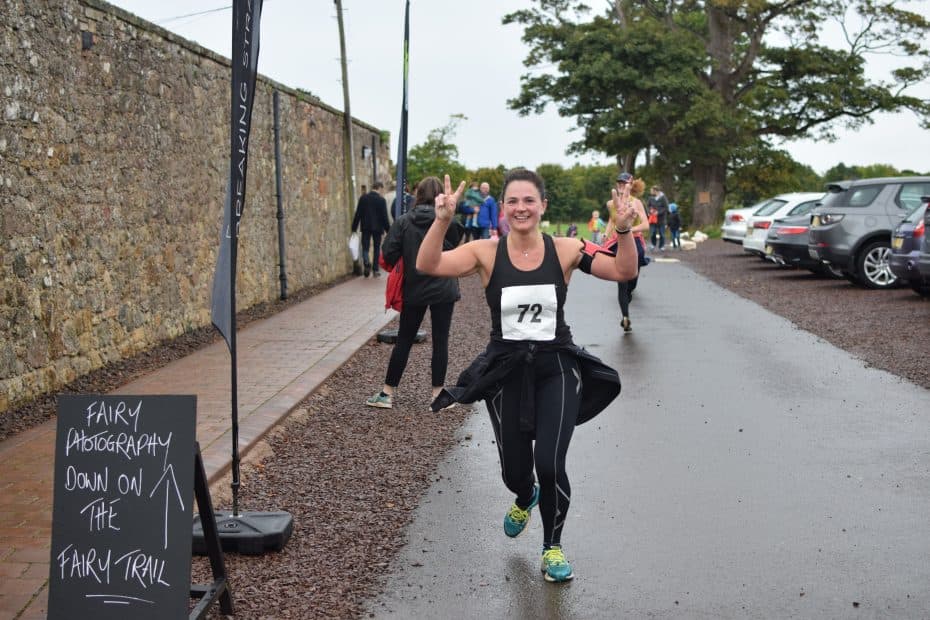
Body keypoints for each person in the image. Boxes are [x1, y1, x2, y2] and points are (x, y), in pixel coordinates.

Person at [417, 168, 638, 583]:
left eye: (529, 200)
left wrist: (623, 231)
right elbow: (429, 264)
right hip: (506, 371)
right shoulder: (484, 252)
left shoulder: (568, 249)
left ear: (543, 206)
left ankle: (551, 546)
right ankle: (524, 495)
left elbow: (623, 272)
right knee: (516, 471)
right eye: (513, 201)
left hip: (557, 366)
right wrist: (442, 219)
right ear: (503, 209)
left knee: (550, 464)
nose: (521, 208)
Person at [366, 177, 464, 409]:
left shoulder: (403, 222)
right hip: (444, 286)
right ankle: (437, 394)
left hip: (415, 286)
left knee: (404, 340)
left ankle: (387, 393)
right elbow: (456, 241)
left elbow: (388, 253)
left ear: (418, 194)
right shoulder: (448, 220)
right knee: (441, 341)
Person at [604, 172, 650, 332]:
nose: (621, 186)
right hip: (618, 241)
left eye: (624, 183)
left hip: (635, 240)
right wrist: (606, 232)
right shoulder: (611, 203)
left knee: (632, 279)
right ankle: (625, 317)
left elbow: (646, 225)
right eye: (619, 183)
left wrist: (629, 229)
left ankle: (630, 291)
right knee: (621, 280)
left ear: (631, 184)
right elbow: (612, 219)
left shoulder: (636, 203)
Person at [351, 181, 391, 277]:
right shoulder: (381, 200)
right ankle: (375, 270)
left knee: (365, 246)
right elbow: (384, 217)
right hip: (377, 228)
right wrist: (389, 231)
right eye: (382, 190)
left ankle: (366, 263)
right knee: (377, 248)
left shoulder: (363, 198)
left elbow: (358, 214)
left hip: (365, 227)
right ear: (379, 188)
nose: (382, 192)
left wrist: (354, 227)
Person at [647, 185, 670, 251]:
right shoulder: (651, 198)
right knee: (652, 233)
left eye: (652, 190)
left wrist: (658, 212)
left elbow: (666, 208)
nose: (651, 192)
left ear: (656, 191)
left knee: (662, 234)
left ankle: (661, 246)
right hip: (653, 219)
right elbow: (648, 206)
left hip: (661, 220)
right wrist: (650, 210)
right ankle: (653, 245)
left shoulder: (663, 198)